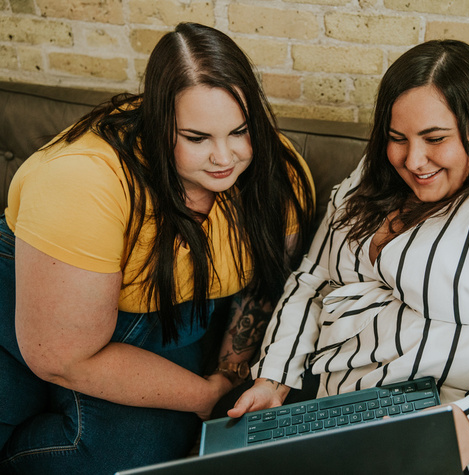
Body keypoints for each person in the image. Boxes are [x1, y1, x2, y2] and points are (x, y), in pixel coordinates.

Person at [228, 40, 469, 474]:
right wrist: (274, 378)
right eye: (397, 138)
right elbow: (314, 280)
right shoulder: (372, 176)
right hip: (366, 403)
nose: (413, 160)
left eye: (435, 139)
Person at [0, 22, 314, 475]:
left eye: (239, 131)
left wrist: (227, 377)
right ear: (159, 123)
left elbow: (263, 288)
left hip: (161, 316)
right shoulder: (81, 181)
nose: (225, 158)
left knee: (128, 460)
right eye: (197, 138)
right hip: (29, 301)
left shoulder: (277, 173)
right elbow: (61, 356)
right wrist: (201, 395)